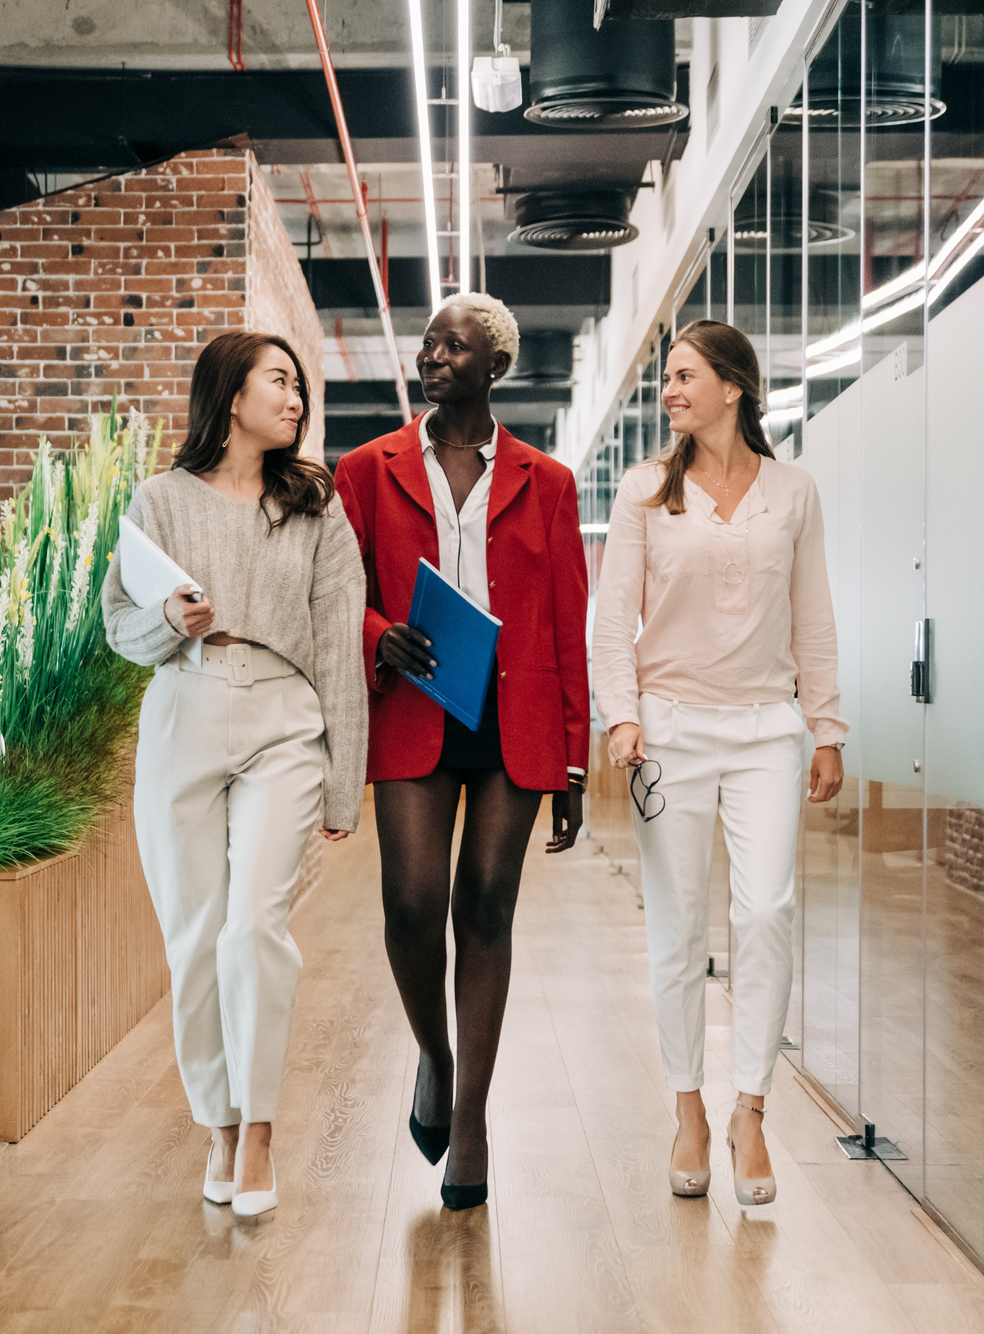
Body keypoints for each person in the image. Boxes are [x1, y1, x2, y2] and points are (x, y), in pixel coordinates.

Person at [102, 330, 366, 1221]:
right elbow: (118, 629)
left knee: (255, 926)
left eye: (300, 386)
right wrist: (171, 617)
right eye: (279, 381)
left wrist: (344, 780)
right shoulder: (159, 501)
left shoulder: (317, 509)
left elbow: (338, 647)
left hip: (282, 719)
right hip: (184, 706)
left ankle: (259, 1131)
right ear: (230, 394)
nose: (296, 400)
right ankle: (216, 1124)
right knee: (195, 934)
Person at [335, 292, 589, 1211]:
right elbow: (339, 586)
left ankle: (471, 1119)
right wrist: (375, 632)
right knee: (411, 905)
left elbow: (568, 621)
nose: (434, 353)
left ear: (497, 367)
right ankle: (434, 1059)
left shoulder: (548, 482)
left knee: (486, 906)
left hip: (511, 715)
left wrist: (573, 759)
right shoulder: (365, 469)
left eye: (457, 345)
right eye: (431, 341)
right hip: (414, 702)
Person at [589, 319, 846, 1207]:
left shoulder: (794, 492)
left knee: (767, 908)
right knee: (679, 926)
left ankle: (751, 1109)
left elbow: (813, 613)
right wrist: (621, 720)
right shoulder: (643, 494)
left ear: (733, 387)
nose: (670, 391)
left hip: (768, 729)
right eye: (666, 378)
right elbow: (610, 617)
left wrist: (828, 726)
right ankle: (689, 1107)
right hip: (670, 732)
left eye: (685, 375)